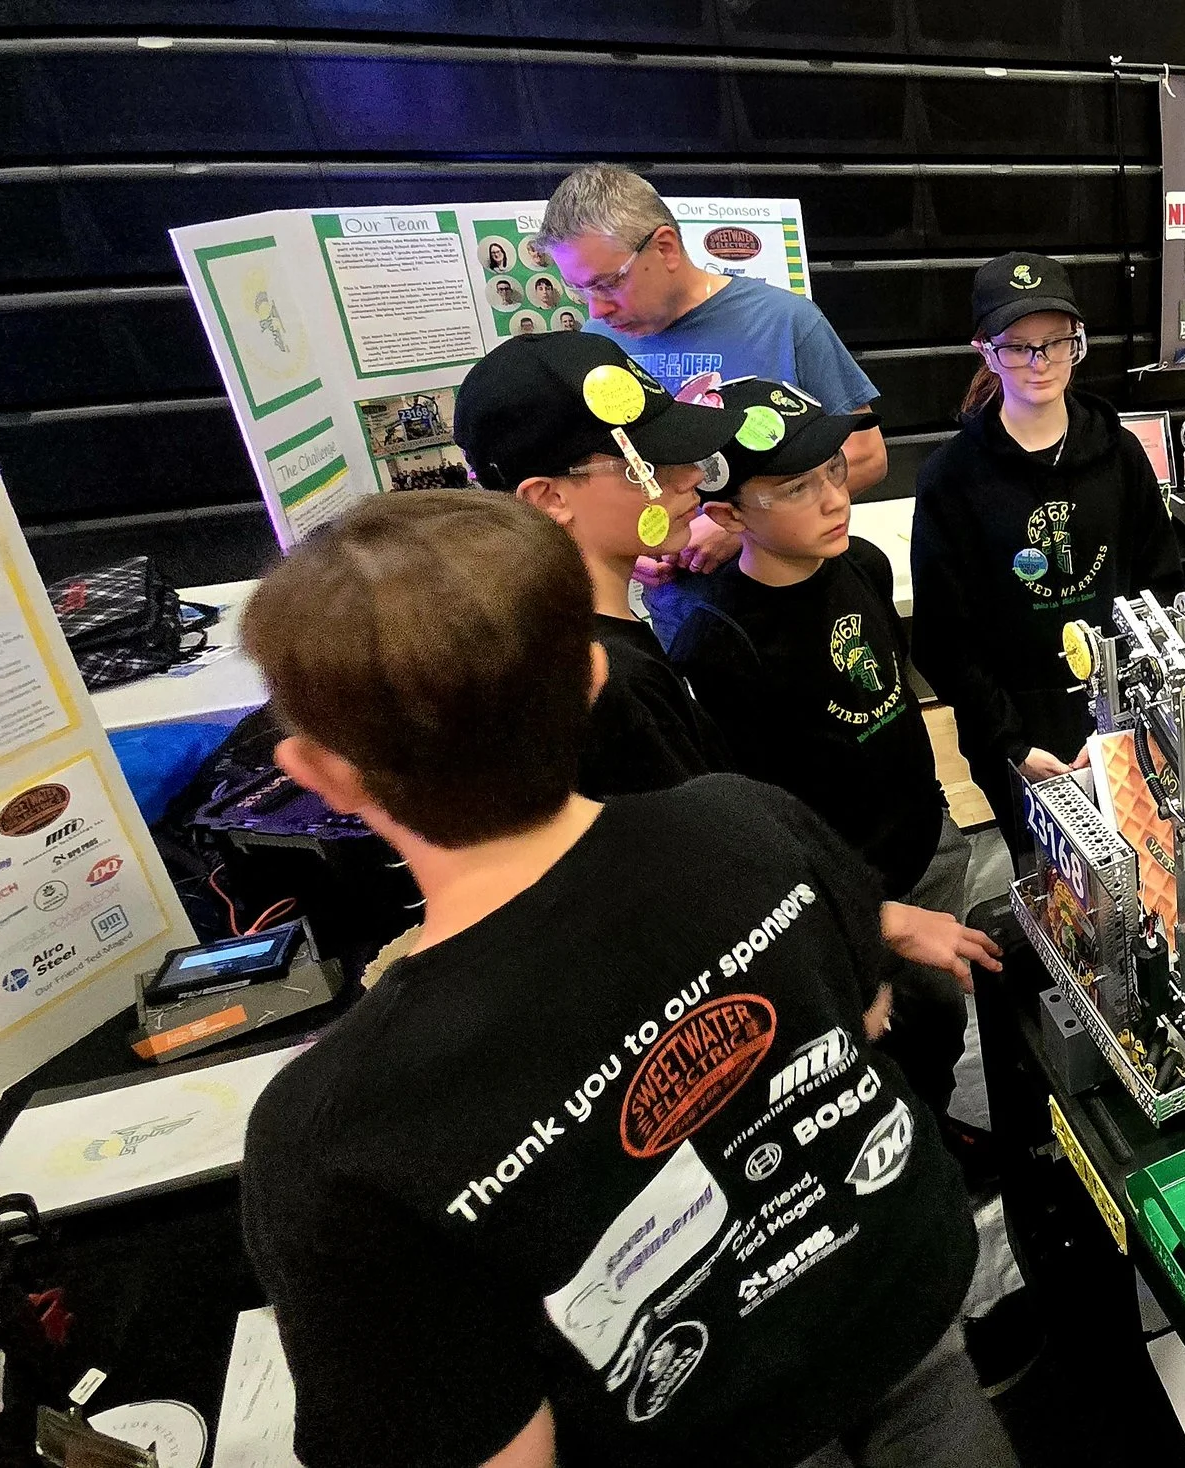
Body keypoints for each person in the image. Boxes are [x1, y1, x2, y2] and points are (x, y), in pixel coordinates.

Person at [240, 491, 1020, 1468]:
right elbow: (863, 1011)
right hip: (905, 1311)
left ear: (323, 774)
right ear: (593, 675)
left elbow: (495, 1451)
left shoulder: (331, 1136)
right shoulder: (747, 822)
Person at [664, 376, 978, 1120]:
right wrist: (851, 912)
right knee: (866, 1049)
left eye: (834, 470)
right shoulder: (721, 641)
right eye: (798, 486)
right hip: (839, 893)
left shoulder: (862, 564)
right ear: (725, 512)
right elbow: (753, 819)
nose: (836, 498)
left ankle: (938, 1126)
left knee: (937, 1023)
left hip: (925, 843)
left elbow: (890, 701)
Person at [911, 252, 1185, 860]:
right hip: (1017, 738)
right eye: (1017, 346)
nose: (1039, 362)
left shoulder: (1120, 455)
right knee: (1051, 894)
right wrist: (1011, 745)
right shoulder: (951, 478)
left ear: (1076, 342)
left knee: (1148, 870)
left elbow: (1158, 589)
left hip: (1125, 718)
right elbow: (944, 638)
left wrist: (1126, 719)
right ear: (986, 351)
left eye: (1055, 343)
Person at [541, 163, 887, 583]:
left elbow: (866, 455)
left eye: (607, 283)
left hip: (784, 598)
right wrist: (623, 544)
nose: (596, 309)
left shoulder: (784, 321)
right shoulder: (597, 343)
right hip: (672, 613)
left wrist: (742, 525)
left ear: (665, 247)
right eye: (580, 290)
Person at [453, 331, 735, 799]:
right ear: (549, 499)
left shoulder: (553, 632)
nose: (691, 475)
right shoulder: (611, 680)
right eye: (645, 464)